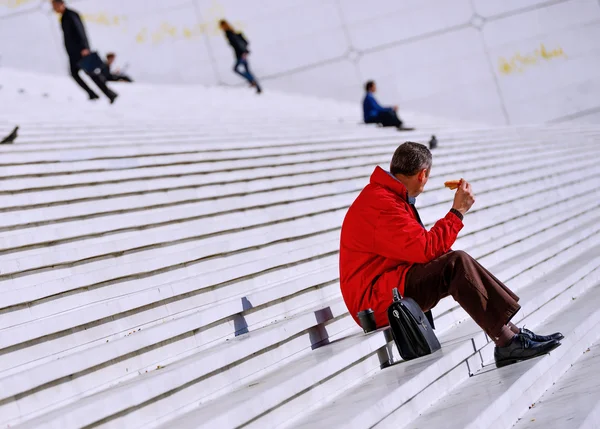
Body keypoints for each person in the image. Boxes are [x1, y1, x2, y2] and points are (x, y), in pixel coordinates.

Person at [339, 142, 563, 368]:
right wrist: (458, 212)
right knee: (455, 264)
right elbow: (425, 249)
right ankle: (507, 341)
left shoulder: (385, 196)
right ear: (422, 174)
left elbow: (421, 249)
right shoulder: (381, 203)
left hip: (386, 285)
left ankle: (513, 334)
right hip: (375, 301)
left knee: (454, 259)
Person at [51, 0, 118, 103]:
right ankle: (95, 94)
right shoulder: (64, 17)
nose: (53, 8)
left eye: (54, 5)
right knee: (76, 73)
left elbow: (80, 31)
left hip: (80, 51)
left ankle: (109, 94)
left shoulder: (71, 15)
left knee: (91, 73)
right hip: (73, 53)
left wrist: (84, 47)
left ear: (61, 4)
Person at [219, 19, 262, 94]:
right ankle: (258, 88)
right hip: (242, 53)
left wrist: (243, 53)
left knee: (236, 69)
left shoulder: (229, 33)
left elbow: (237, 43)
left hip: (240, 54)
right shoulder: (232, 31)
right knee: (247, 70)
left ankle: (252, 81)